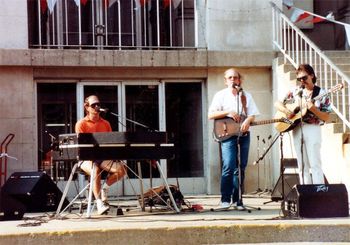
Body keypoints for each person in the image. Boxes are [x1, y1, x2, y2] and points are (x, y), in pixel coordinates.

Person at [208, 68, 260, 209]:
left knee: (241, 166)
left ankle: (238, 200)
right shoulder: (220, 95)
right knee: (229, 166)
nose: (232, 80)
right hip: (227, 135)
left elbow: (252, 114)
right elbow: (210, 115)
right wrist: (228, 112)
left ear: (239, 80)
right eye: (230, 77)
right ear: (226, 81)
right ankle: (225, 199)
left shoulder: (245, 95)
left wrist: (248, 121)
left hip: (243, 134)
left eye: (235, 77)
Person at [274, 64, 331, 185]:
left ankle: (318, 192)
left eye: (304, 78)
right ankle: (306, 193)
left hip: (312, 128)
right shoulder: (296, 91)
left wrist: (314, 109)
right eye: (299, 79)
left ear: (312, 75)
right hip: (297, 128)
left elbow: (327, 117)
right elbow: (277, 103)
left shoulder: (322, 92)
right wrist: (287, 111)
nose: (302, 81)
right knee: (302, 163)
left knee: (315, 162)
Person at [75, 95, 126, 215]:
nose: (97, 107)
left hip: (102, 157)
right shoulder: (81, 124)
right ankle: (99, 203)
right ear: (86, 107)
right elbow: (82, 147)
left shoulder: (106, 123)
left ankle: (105, 189)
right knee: (95, 170)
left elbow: (111, 142)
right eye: (93, 105)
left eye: (98, 104)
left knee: (122, 170)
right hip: (86, 158)